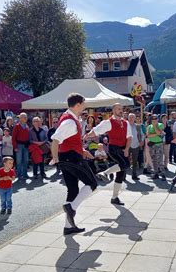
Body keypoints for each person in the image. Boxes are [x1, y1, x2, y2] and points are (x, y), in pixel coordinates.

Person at [51, 93, 98, 235]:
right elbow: (55, 140)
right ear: (77, 105)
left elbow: (67, 140)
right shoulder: (70, 121)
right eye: (83, 104)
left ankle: (68, 226)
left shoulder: (71, 118)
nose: (85, 106)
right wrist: (56, 159)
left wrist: (82, 150)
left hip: (69, 156)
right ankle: (72, 208)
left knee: (73, 191)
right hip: (71, 158)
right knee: (92, 183)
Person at [84, 103, 132, 205]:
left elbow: (129, 137)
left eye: (121, 108)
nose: (121, 110)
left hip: (123, 149)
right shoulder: (108, 122)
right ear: (113, 110)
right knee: (126, 165)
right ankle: (105, 173)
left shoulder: (126, 123)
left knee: (121, 173)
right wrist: (88, 135)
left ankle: (114, 197)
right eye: (118, 109)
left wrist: (127, 149)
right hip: (114, 148)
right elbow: (97, 130)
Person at [147, 114, 166, 180]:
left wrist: (155, 127)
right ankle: (156, 173)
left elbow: (159, 133)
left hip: (159, 144)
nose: (154, 120)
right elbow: (148, 135)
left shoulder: (160, 125)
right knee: (153, 159)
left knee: (160, 159)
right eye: (153, 119)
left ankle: (163, 174)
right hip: (152, 145)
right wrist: (156, 134)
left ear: (158, 119)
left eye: (155, 119)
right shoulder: (149, 126)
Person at [12, 113, 30, 179]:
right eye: (23, 117)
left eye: (25, 117)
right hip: (19, 145)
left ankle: (25, 174)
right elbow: (13, 138)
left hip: (26, 145)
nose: (25, 118)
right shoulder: (17, 126)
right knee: (19, 161)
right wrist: (15, 147)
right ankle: (19, 175)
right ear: (20, 118)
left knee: (26, 160)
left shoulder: (27, 126)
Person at [128, 113, 143, 181]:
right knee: (125, 161)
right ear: (128, 118)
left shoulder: (138, 126)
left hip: (136, 145)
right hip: (127, 146)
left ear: (134, 119)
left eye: (132, 117)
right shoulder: (125, 126)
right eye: (130, 117)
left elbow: (142, 135)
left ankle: (134, 175)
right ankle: (123, 176)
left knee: (135, 161)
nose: (131, 119)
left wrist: (141, 141)